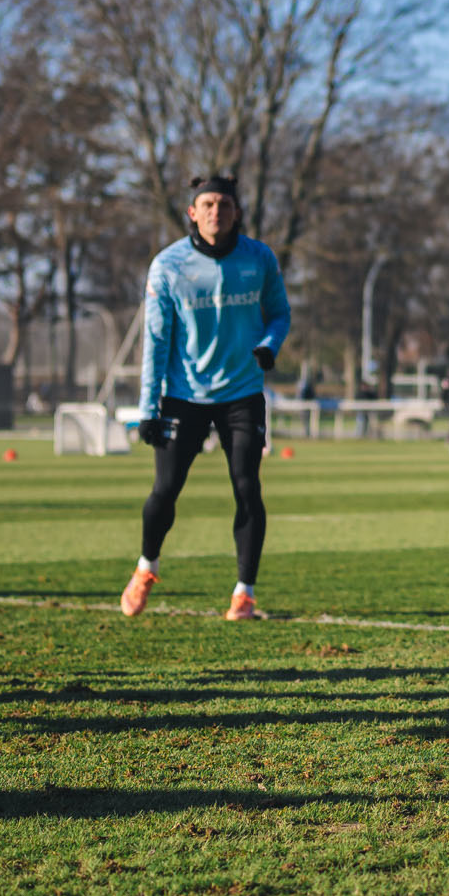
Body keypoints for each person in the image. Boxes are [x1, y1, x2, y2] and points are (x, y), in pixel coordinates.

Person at [122, 174, 290, 621]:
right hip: (183, 396)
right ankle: (146, 567)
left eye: (225, 204)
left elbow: (279, 313)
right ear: (193, 213)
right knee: (166, 489)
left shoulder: (260, 259)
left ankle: (244, 594)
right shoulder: (168, 266)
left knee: (247, 487)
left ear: (237, 213)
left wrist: (269, 346)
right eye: (208, 204)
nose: (217, 211)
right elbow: (155, 342)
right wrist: (147, 408)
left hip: (242, 395)